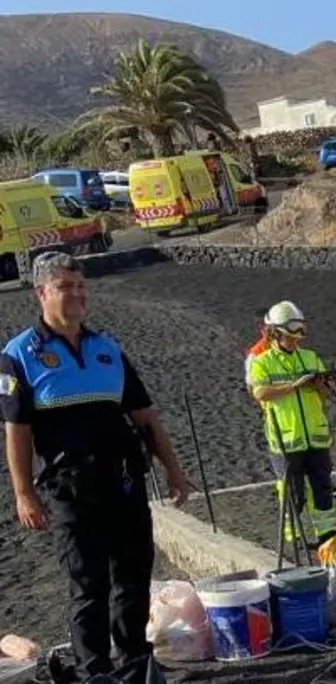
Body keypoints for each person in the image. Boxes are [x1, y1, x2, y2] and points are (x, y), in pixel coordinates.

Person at [1, 252, 192, 682]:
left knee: (134, 577)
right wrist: (24, 493)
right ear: (42, 292)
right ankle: (95, 673)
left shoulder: (107, 348)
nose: (77, 295)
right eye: (67, 287)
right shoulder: (20, 355)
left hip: (124, 481)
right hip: (70, 490)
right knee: (88, 587)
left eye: (81, 286)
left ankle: (135, 664)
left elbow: (146, 416)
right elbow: (16, 432)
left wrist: (174, 469)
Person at [248, 300, 336, 546]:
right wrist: (294, 386)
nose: (294, 341)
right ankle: (294, 537)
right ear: (275, 333)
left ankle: (326, 533)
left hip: (315, 436)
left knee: (322, 488)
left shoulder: (310, 357)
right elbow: (260, 393)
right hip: (286, 439)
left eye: (296, 336)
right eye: (289, 336)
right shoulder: (262, 362)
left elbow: (325, 395)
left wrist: (321, 386)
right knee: (294, 492)